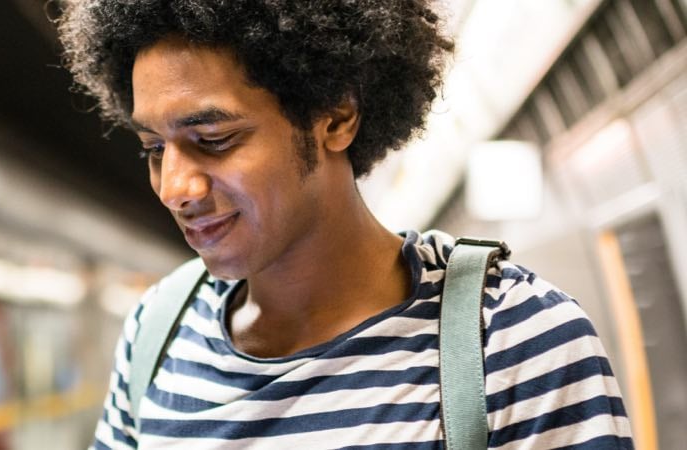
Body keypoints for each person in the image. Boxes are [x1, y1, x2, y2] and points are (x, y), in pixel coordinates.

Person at [56, 1, 635, 448]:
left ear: (335, 116)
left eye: (215, 140)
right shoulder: (158, 332)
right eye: (154, 148)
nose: (175, 188)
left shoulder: (514, 342)